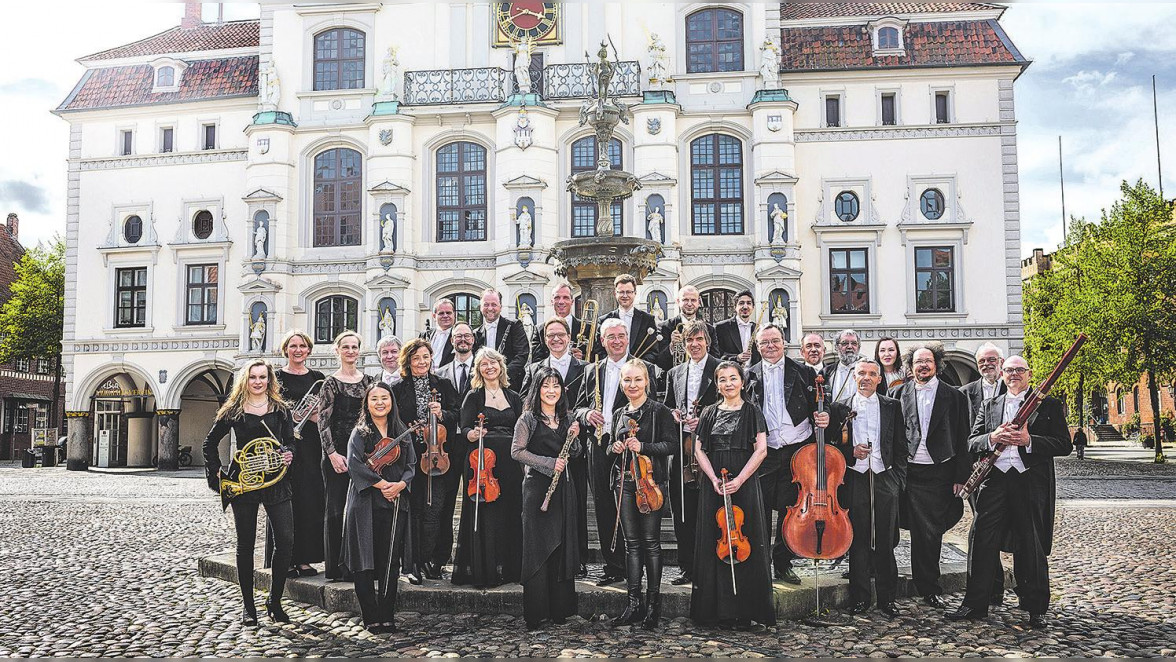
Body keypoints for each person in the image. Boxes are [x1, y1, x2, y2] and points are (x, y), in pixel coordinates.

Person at [949, 356, 1072, 629]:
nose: (1014, 374)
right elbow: (972, 441)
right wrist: (992, 437)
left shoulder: (1048, 405)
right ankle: (975, 603)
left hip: (1029, 483)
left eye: (1019, 370)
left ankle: (1035, 607)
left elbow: (1064, 444)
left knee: (1031, 544)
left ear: (1029, 374)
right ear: (1002, 374)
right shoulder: (989, 405)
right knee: (981, 540)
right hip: (994, 481)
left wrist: (1030, 441)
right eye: (1009, 370)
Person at [202, 359, 295, 625]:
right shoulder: (233, 410)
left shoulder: (281, 410)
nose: (258, 381)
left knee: (286, 541)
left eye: (262, 377)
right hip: (244, 483)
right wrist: (216, 472)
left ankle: (274, 601)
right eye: (253, 377)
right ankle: (248, 606)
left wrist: (289, 455)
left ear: (269, 380)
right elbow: (209, 444)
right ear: (246, 379)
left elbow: (289, 443)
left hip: (275, 481)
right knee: (245, 546)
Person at [689, 360, 774, 628]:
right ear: (717, 385)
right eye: (723, 379)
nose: (728, 384)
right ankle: (715, 611)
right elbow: (699, 449)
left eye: (733, 378)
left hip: (744, 482)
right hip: (715, 483)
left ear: (742, 381)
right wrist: (713, 477)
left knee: (747, 540)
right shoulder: (709, 412)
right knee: (715, 540)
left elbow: (761, 450)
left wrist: (739, 480)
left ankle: (748, 610)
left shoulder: (752, 412)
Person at [576, 319, 660, 587]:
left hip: (629, 446)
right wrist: (586, 413)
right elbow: (576, 407)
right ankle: (614, 567)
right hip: (599, 445)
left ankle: (637, 567)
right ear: (602, 341)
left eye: (621, 336)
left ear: (627, 338)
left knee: (634, 503)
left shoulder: (640, 368)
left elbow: (654, 405)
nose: (616, 341)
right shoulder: (592, 370)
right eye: (610, 336)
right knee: (603, 504)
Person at [893, 344, 972, 608]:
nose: (923, 366)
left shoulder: (955, 396)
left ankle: (929, 586)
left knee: (931, 532)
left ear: (936, 364)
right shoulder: (896, 393)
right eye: (918, 362)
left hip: (940, 471)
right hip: (908, 471)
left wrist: (961, 476)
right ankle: (902, 582)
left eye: (928, 361)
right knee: (906, 528)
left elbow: (963, 439)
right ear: (910, 366)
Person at [829, 359, 907, 618]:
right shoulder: (840, 408)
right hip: (855, 479)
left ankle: (887, 599)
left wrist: (897, 481)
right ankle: (860, 598)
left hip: (885, 479)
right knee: (858, 540)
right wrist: (851, 452)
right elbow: (831, 448)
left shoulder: (892, 406)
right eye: (861, 373)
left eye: (872, 374)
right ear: (854, 377)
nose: (866, 378)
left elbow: (900, 446)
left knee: (885, 542)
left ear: (879, 379)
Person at [743, 324, 821, 585]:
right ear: (757, 347)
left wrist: (825, 414)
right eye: (764, 343)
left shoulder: (804, 371)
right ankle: (761, 563)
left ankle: (783, 563)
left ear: (784, 343)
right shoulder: (749, 375)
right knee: (761, 509)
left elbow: (822, 403)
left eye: (774, 341)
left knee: (791, 509)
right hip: (764, 450)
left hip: (795, 451)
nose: (770, 346)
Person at [606, 359, 677, 629]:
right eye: (627, 380)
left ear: (646, 381)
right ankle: (632, 604)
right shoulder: (618, 413)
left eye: (637, 379)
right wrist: (613, 447)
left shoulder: (659, 411)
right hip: (623, 483)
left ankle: (653, 606)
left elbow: (670, 445)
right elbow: (611, 447)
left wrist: (643, 445)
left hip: (650, 484)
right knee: (631, 543)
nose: (632, 385)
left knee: (650, 542)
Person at [511, 366, 583, 630]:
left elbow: (574, 453)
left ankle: (559, 610)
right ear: (537, 389)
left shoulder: (567, 418)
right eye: (545, 386)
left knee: (560, 545)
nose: (551, 391)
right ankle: (537, 611)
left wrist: (574, 437)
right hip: (536, 489)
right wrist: (548, 463)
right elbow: (517, 452)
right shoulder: (527, 419)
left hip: (563, 489)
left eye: (555, 386)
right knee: (538, 546)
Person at [341, 382, 414, 634]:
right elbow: (354, 464)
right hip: (364, 502)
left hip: (394, 502)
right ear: (367, 403)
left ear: (391, 401)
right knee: (365, 560)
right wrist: (383, 484)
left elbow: (411, 465)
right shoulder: (360, 433)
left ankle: (387, 614)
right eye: (374, 399)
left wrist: (401, 485)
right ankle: (370, 615)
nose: (380, 402)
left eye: (385, 397)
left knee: (389, 560)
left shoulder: (401, 430)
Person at [522, 318, 589, 577]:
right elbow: (525, 401)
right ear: (545, 339)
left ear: (569, 337)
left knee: (577, 504)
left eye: (560, 334)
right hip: (542, 446)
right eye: (550, 335)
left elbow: (585, 402)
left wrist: (574, 422)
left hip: (571, 442)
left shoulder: (584, 367)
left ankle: (578, 557)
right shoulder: (533, 369)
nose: (556, 339)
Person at [452, 348, 525, 587]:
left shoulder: (513, 396)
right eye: (484, 364)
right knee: (487, 513)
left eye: (493, 362)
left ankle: (510, 568)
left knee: (510, 510)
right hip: (482, 462)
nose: (489, 367)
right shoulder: (473, 396)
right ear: (478, 369)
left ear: (501, 366)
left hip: (511, 462)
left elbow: (523, 427)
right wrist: (472, 433)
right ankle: (485, 570)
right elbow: (463, 428)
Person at [390, 338, 460, 583]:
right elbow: (392, 421)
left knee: (437, 508)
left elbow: (458, 415)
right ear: (408, 361)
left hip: (438, 456)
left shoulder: (444, 384)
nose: (421, 362)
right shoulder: (398, 388)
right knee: (414, 509)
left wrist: (442, 414)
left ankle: (436, 560)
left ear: (432, 359)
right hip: (410, 456)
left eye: (425, 357)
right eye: (416, 358)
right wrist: (407, 428)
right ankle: (413, 561)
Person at [662, 320, 721, 587]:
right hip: (681, 450)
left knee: (708, 508)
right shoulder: (675, 372)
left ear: (707, 341)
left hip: (710, 449)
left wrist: (705, 420)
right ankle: (687, 566)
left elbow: (730, 404)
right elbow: (667, 407)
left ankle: (710, 565)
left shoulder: (721, 368)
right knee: (682, 510)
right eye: (689, 341)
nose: (694, 345)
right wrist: (673, 414)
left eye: (698, 339)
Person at [318, 332, 375, 581]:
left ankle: (360, 565)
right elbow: (323, 422)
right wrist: (332, 454)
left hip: (363, 453)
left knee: (361, 510)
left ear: (359, 351)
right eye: (346, 347)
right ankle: (335, 567)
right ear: (337, 350)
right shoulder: (330, 383)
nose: (350, 351)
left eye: (354, 347)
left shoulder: (369, 382)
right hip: (337, 453)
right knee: (335, 510)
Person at [275, 330, 326, 577]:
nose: (298, 350)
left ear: (309, 350)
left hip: (312, 444)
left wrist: (317, 415)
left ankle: (305, 558)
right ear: (286, 349)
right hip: (286, 444)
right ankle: (286, 558)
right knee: (287, 501)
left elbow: (326, 412)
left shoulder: (318, 378)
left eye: (303, 346)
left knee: (310, 500)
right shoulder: (276, 377)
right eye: (293, 345)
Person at [474, 289, 531, 388]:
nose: (490, 308)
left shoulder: (514, 326)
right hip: (484, 386)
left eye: (494, 304)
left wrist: (501, 376)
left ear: (500, 306)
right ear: (480, 307)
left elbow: (522, 355)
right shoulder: (475, 333)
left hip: (510, 385)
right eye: (486, 304)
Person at [596, 274, 658, 362]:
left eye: (628, 292)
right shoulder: (603, 320)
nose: (625, 296)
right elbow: (598, 350)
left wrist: (636, 365)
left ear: (635, 293)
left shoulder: (647, 320)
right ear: (615, 293)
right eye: (621, 292)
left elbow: (653, 351)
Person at [654, 285, 717, 373]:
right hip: (674, 381)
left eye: (693, 300)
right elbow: (659, 362)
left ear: (699, 302)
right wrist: (671, 346)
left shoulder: (709, 329)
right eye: (685, 300)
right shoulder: (665, 327)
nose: (690, 304)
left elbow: (715, 358)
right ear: (678, 301)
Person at [531, 282, 585, 362]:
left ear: (572, 302)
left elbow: (595, 358)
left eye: (565, 297)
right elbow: (536, 360)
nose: (561, 302)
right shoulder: (540, 330)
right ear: (552, 301)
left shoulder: (586, 327)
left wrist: (582, 358)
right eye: (557, 297)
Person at [959, 342, 1007, 420]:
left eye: (991, 360)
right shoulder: (964, 392)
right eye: (981, 361)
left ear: (1002, 362)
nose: (986, 364)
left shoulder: (1012, 389)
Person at [713, 290, 760, 367]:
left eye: (749, 303)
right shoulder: (721, 328)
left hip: (754, 377)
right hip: (731, 374)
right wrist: (736, 358)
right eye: (741, 303)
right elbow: (716, 356)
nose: (745, 306)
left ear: (753, 307)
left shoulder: (758, 329)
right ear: (735, 307)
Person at [434, 322, 476, 401]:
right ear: (452, 340)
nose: (463, 339)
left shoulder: (484, 370)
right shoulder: (440, 374)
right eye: (458, 336)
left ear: (473, 339)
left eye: (467, 336)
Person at [822, 329, 861, 405]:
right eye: (845, 343)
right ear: (836, 347)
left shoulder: (868, 371)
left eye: (854, 343)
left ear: (858, 347)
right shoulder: (826, 372)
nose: (850, 346)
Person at [424, 299, 458, 369]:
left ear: (454, 315)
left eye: (448, 313)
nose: (445, 316)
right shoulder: (424, 335)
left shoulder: (459, 335)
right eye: (441, 313)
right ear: (434, 316)